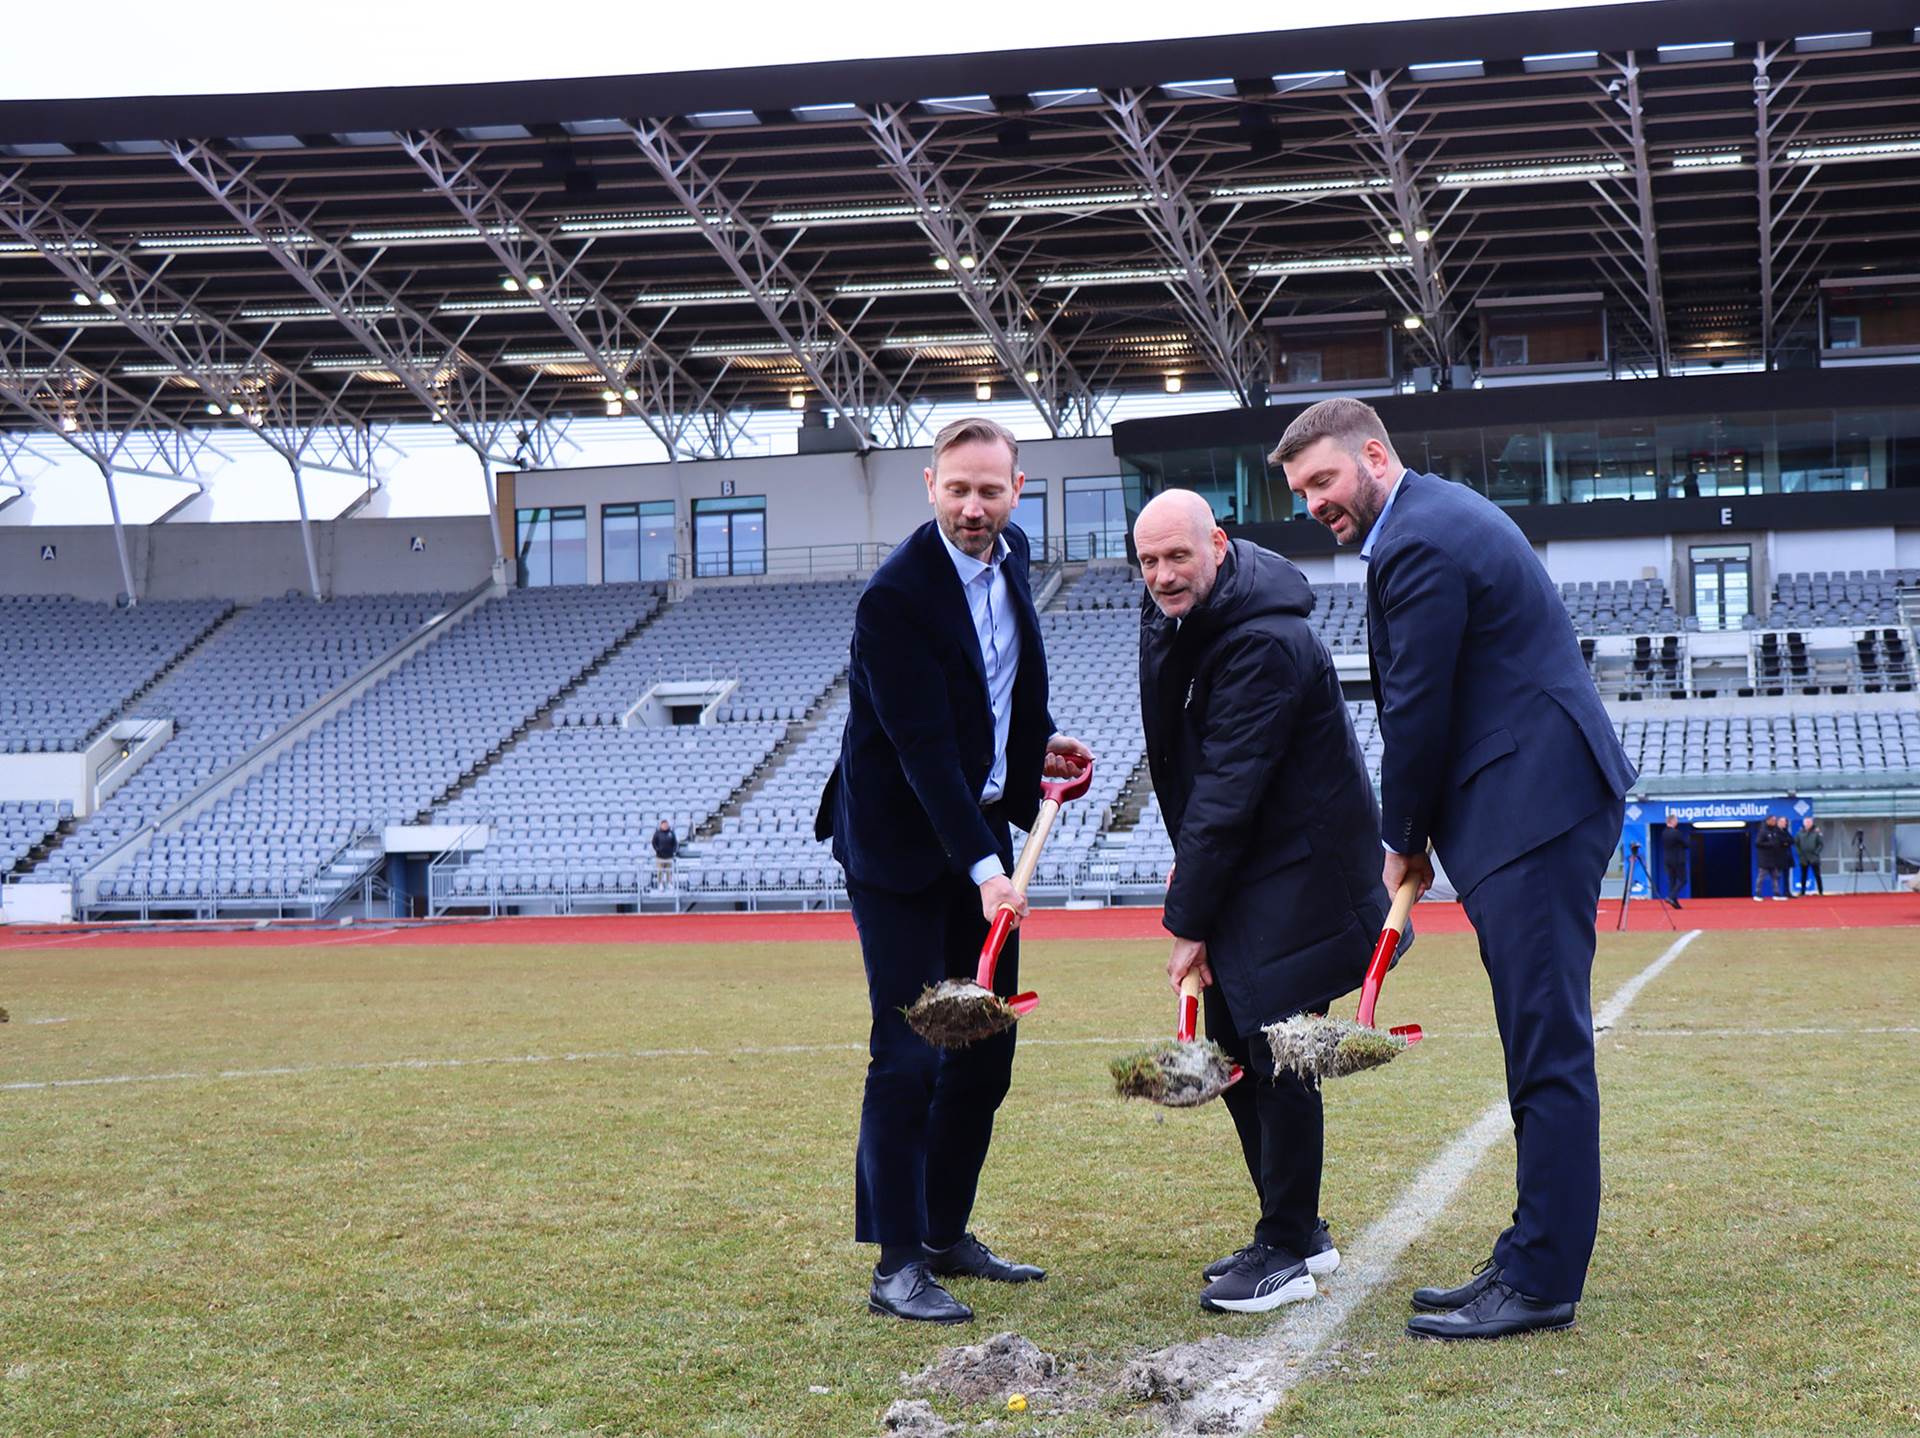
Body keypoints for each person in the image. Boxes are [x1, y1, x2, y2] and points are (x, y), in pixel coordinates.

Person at [1275, 397, 1637, 1342]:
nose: (1315, 501)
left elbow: (1419, 709)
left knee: (1546, 1047)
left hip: (1535, 808)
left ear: (1374, 455)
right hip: (1528, 804)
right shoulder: (1433, 519)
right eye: (1301, 490)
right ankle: (1529, 1253)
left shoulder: (1418, 541)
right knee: (1536, 1043)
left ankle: (1543, 1277)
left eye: (1324, 479)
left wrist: (1402, 840)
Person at [815, 415, 1091, 1325]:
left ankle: (943, 1233)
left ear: (1018, 491)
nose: (975, 508)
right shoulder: (895, 598)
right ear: (929, 486)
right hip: (901, 851)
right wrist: (982, 866)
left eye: (992, 490)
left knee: (984, 1049)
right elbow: (924, 748)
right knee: (909, 1052)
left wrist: (1034, 751)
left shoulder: (1010, 564)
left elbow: (1001, 694)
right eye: (959, 489)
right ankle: (896, 1265)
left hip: (975, 834)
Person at [1134, 489, 1394, 1315]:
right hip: (1249, 871)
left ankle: (1284, 1247)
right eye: (1149, 561)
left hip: (1300, 877)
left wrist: (1188, 924)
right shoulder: (1179, 620)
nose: (1164, 576)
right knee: (1239, 1051)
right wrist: (1199, 891)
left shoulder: (1266, 643)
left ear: (1217, 543)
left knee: (1280, 1060)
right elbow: (1192, 777)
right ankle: (1299, 1230)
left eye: (1179, 556)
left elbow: (1228, 792)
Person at [1755, 816, 1788, 902]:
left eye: (1775, 820)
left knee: (1775, 877)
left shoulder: (1775, 831)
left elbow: (1781, 840)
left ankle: (1776, 894)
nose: (1774, 822)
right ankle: (1757, 894)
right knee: (1761, 877)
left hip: (1774, 858)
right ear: (1768, 821)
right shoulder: (1763, 831)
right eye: (1773, 820)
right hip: (1764, 858)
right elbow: (1758, 843)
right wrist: (1770, 844)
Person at [1659, 814, 1687, 910]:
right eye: (1676, 820)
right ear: (1672, 821)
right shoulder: (1676, 833)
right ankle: (1671, 897)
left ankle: (1674, 902)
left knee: (1672, 881)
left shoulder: (1664, 833)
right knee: (1683, 880)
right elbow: (1685, 844)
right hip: (1678, 860)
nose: (1677, 822)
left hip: (1667, 860)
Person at [1796, 817, 1825, 896]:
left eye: (1809, 822)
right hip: (1803, 857)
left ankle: (1820, 891)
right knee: (1803, 875)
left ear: (1812, 823)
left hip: (1814, 857)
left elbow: (1821, 844)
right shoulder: (1799, 833)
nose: (1808, 824)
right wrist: (1800, 853)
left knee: (1817, 875)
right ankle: (1802, 892)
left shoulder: (1816, 832)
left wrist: (1816, 853)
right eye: (1806, 822)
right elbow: (1796, 844)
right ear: (1804, 823)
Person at [651, 818, 677, 886]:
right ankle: (660, 884)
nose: (665, 826)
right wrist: (657, 849)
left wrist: (673, 850)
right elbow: (654, 843)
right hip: (660, 857)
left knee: (669, 871)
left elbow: (675, 843)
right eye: (664, 825)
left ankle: (669, 883)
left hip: (669, 856)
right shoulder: (657, 833)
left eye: (666, 825)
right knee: (660, 871)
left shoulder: (671, 833)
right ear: (661, 825)